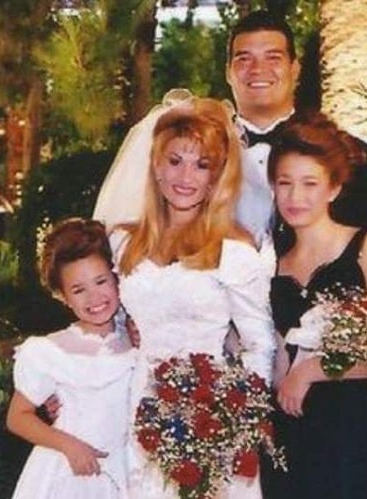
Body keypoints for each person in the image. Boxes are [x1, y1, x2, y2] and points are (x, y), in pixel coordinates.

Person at [108, 96, 275, 498]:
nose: (186, 176)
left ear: (217, 177)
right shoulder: (122, 242)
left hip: (212, 413)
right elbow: (110, 323)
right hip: (137, 403)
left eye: (202, 165)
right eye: (175, 161)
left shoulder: (233, 249)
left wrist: (233, 415)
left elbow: (261, 344)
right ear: (155, 165)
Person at [260, 115, 367, 499]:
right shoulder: (272, 263)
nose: (295, 197)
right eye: (284, 183)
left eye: (309, 184)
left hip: (360, 431)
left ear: (333, 188)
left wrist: (313, 371)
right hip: (298, 434)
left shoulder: (366, 248)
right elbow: (279, 359)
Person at [225, 10, 367, 249]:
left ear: (294, 69)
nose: (257, 69)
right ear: (228, 72)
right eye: (244, 59)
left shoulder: (349, 156)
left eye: (273, 58)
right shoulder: (197, 157)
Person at [6, 218, 135, 499]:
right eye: (79, 290)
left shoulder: (135, 337)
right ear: (63, 296)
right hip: (73, 471)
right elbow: (17, 417)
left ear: (116, 279)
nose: (94, 297)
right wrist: (69, 445)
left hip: (128, 469)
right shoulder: (52, 351)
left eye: (101, 281)